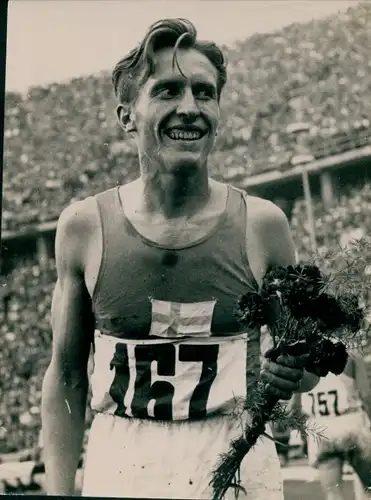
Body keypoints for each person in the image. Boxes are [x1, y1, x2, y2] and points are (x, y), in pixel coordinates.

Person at [41, 18, 319, 499]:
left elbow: (305, 365)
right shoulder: (84, 226)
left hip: (236, 451)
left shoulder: (263, 224)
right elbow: (66, 375)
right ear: (127, 115)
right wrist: (59, 490)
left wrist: (294, 369)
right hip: (122, 453)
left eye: (204, 93)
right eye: (168, 92)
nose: (189, 108)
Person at [301, 350, 371, 500]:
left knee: (333, 493)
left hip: (321, 427)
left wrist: (303, 435)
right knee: (368, 487)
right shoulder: (351, 355)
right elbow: (366, 395)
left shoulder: (304, 358)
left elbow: (293, 407)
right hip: (351, 421)